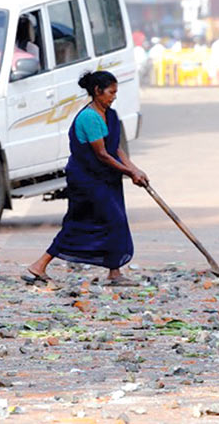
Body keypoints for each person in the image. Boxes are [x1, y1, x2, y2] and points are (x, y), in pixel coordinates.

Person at [23, 71, 148, 286]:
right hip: (87, 180)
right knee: (83, 223)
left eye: (116, 92)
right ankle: (39, 265)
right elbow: (101, 154)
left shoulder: (109, 115)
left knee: (114, 221)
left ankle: (114, 273)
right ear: (98, 91)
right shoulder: (88, 117)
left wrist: (135, 169)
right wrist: (129, 173)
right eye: (111, 92)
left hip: (106, 179)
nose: (114, 96)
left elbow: (115, 148)